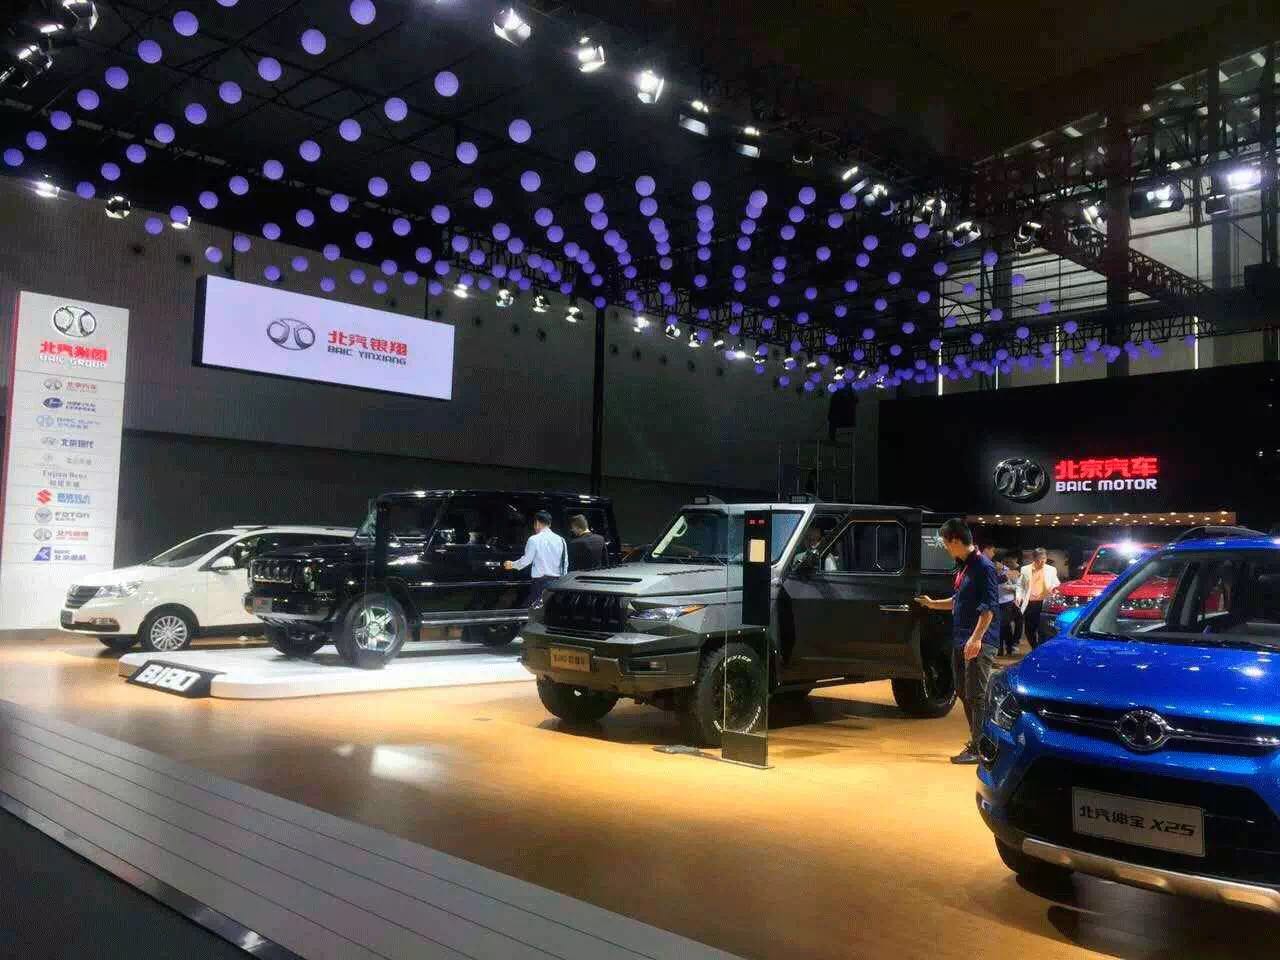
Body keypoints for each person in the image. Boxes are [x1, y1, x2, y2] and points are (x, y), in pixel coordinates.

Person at [915, 518, 999, 765]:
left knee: (976, 695)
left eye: (945, 543)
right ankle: (978, 741)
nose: (945, 548)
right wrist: (933, 604)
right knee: (963, 691)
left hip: (979, 641)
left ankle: (982, 747)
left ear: (955, 541)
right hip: (962, 639)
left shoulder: (984, 567)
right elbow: (957, 600)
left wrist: (976, 639)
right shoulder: (964, 567)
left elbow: (989, 608)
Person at [504, 510, 568, 606]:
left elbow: (526, 560)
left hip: (540, 583)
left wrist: (512, 565)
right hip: (557, 583)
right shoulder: (561, 540)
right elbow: (565, 563)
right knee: (550, 610)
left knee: (533, 610)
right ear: (549, 524)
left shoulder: (534, 539)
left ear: (537, 523)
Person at [1018, 547, 1060, 650]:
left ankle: (1040, 650)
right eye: (1039, 559)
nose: (1042, 562)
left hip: (1044, 603)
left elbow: (1056, 583)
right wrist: (1018, 597)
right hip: (1030, 603)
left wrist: (1054, 588)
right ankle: (1035, 647)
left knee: (1043, 629)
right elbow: (1020, 585)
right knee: (1029, 630)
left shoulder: (1051, 569)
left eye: (1044, 559)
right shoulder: (1025, 569)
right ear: (1034, 558)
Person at [983, 546, 1019, 657]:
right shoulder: (990, 571)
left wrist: (1010, 587)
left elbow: (1018, 587)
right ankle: (1002, 648)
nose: (995, 565)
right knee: (1000, 626)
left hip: (1007, 602)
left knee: (1004, 625)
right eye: (994, 563)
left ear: (1001, 563)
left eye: (997, 563)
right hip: (995, 602)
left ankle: (1008, 647)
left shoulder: (1009, 572)